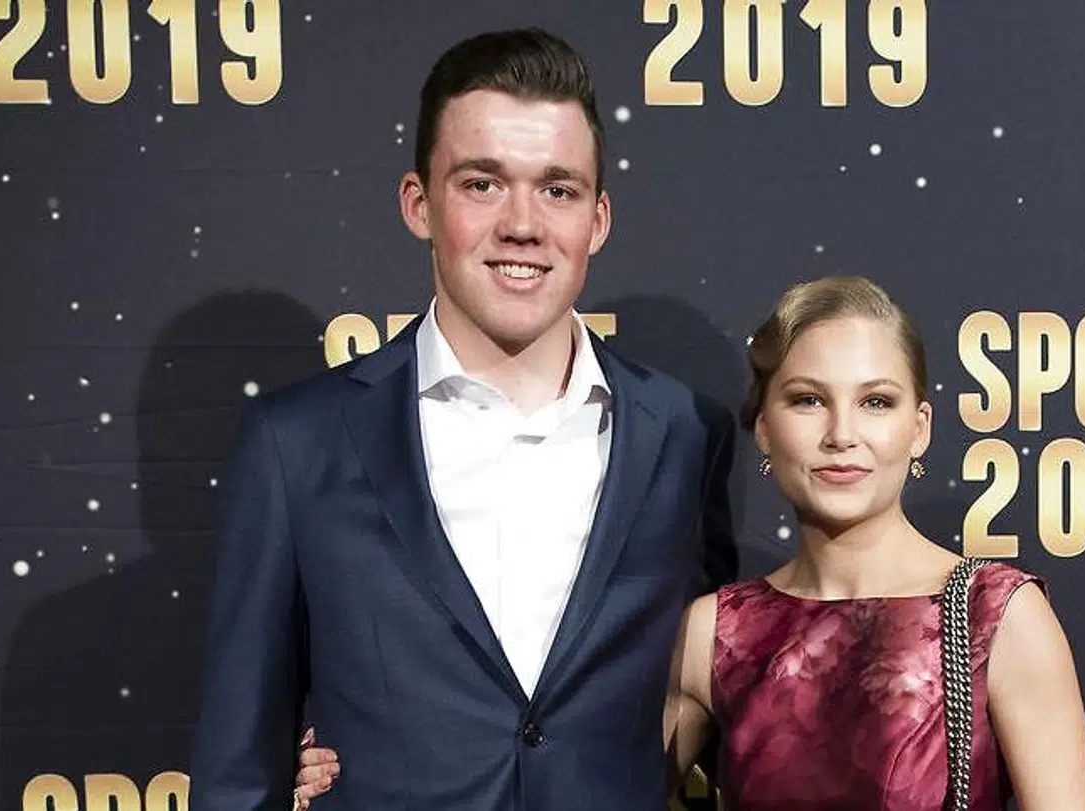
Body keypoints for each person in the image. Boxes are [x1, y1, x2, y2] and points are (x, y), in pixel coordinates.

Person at [187, 28, 737, 811]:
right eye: (483, 183)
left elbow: (725, 704)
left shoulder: (685, 435)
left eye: (558, 189)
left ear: (598, 219)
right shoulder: (296, 445)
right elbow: (238, 771)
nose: (523, 223)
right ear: (420, 203)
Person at [295, 276, 1085, 810]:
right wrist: (359, 772)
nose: (842, 434)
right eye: (808, 399)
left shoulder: (997, 616)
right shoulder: (717, 630)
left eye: (877, 401)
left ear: (919, 428)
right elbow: (558, 775)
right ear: (763, 427)